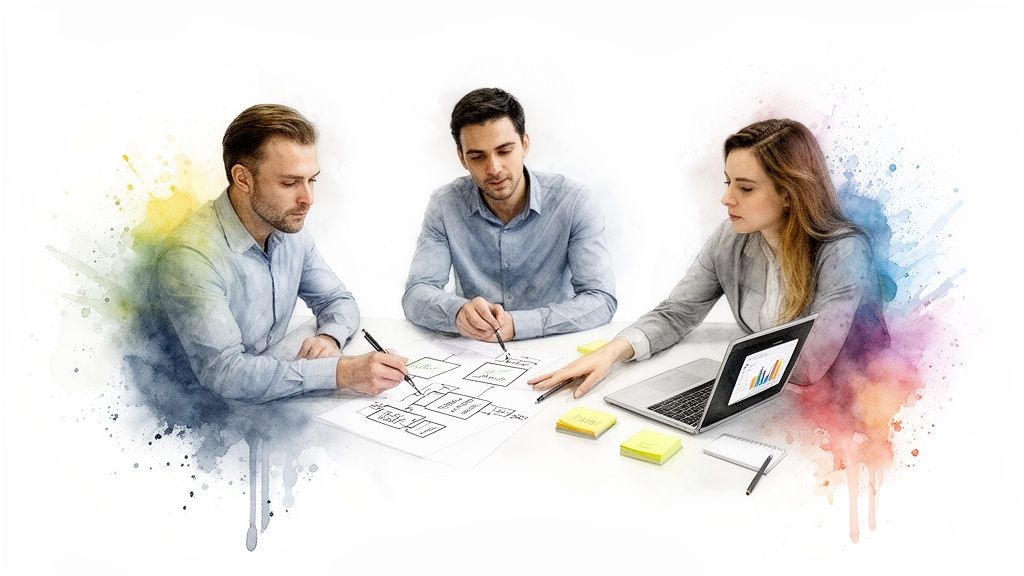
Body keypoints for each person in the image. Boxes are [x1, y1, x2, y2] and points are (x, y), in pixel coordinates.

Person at [529, 118, 890, 398]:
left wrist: (726, 371)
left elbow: (808, 366)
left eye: (745, 188)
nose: (727, 199)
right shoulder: (732, 238)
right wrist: (613, 352)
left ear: (789, 194)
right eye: (727, 182)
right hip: (770, 397)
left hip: (849, 408)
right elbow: (677, 313)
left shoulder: (844, 251)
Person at [152, 104, 408, 403]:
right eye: (289, 183)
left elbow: (337, 300)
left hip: (269, 400)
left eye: (312, 180)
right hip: (194, 417)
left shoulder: (287, 229)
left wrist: (330, 337)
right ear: (243, 179)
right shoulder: (191, 256)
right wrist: (341, 373)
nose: (308, 199)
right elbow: (225, 372)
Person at [402, 87, 617, 342]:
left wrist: (518, 325)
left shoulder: (573, 201)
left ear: (525, 144)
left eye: (504, 151)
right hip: (475, 352)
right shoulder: (444, 205)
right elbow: (416, 294)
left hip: (553, 344)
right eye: (477, 156)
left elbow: (601, 299)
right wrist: (456, 312)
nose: (494, 168)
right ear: (462, 158)